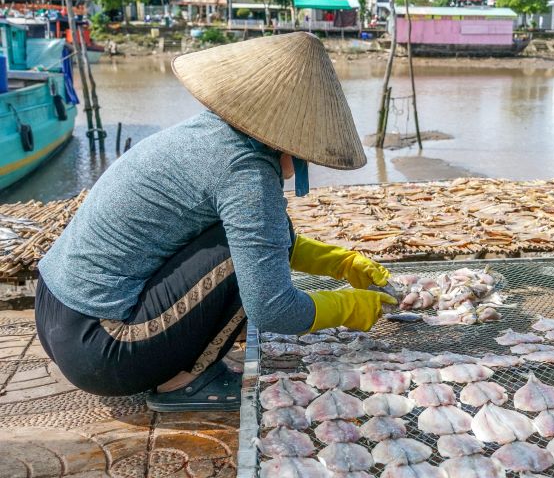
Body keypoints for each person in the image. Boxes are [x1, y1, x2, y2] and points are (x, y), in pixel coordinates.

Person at [35, 32, 395, 411]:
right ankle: (186, 381)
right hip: (102, 349)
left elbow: (263, 235)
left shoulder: (209, 133)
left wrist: (338, 262)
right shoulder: (245, 170)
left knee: (253, 238)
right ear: (292, 140)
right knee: (248, 268)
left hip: (56, 315)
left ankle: (178, 360)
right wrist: (350, 306)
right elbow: (273, 308)